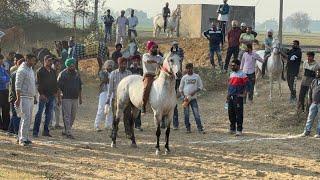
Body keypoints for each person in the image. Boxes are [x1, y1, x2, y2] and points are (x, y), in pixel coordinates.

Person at [33, 55, 58, 137]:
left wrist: (55, 92)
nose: (50, 62)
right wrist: (41, 94)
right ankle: (35, 132)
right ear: (45, 61)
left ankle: (46, 131)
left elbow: (55, 83)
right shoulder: (40, 71)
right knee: (39, 113)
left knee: (49, 114)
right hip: (43, 96)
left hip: (51, 95)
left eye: (51, 61)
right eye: (49, 60)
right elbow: (38, 84)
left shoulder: (53, 71)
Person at [15, 54, 38, 146]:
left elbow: (33, 85)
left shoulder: (31, 70)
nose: (34, 62)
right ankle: (22, 139)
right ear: (27, 59)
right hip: (24, 97)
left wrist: (35, 96)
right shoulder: (22, 70)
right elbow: (18, 86)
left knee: (28, 119)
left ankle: (24, 137)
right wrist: (18, 98)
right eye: (32, 60)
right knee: (25, 117)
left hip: (31, 97)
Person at [57, 58, 83, 139]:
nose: (73, 66)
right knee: (67, 115)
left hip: (75, 98)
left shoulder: (76, 74)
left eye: (73, 65)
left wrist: (80, 98)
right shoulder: (62, 74)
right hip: (66, 97)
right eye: (71, 65)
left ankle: (66, 130)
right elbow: (58, 88)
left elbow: (79, 86)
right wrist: (59, 98)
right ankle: (68, 132)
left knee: (73, 115)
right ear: (67, 66)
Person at [106, 57, 132, 136]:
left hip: (127, 99)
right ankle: (114, 132)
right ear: (118, 64)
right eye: (122, 64)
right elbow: (110, 88)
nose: (124, 65)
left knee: (127, 117)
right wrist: (108, 99)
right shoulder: (113, 74)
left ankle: (128, 133)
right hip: (116, 99)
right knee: (115, 116)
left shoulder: (129, 73)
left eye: (125, 64)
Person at [179, 63, 205, 134]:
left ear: (192, 68)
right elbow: (180, 89)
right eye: (187, 68)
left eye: (190, 68)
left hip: (193, 98)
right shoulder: (184, 77)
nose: (189, 70)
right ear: (186, 69)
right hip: (185, 99)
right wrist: (183, 96)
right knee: (186, 114)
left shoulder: (196, 76)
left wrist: (194, 91)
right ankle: (188, 128)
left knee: (196, 113)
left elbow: (200, 87)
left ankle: (200, 128)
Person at [227, 59, 249, 136]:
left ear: (238, 66)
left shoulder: (243, 74)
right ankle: (232, 128)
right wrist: (228, 95)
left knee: (238, 113)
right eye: (231, 65)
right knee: (231, 113)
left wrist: (244, 94)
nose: (232, 67)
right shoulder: (231, 74)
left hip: (238, 97)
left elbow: (247, 85)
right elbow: (229, 85)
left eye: (234, 65)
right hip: (231, 97)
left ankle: (239, 130)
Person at [141, 41, 163, 114]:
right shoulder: (145, 55)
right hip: (148, 75)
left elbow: (163, 63)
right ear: (149, 48)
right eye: (153, 47)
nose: (155, 49)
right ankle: (143, 104)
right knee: (146, 86)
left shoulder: (159, 57)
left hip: (158, 75)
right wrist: (156, 61)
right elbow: (147, 61)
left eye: (156, 47)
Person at [94, 60, 114, 132]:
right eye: (108, 65)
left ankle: (108, 125)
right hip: (104, 92)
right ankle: (97, 125)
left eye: (111, 65)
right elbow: (104, 80)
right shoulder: (102, 72)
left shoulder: (113, 73)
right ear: (105, 66)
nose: (110, 67)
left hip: (112, 92)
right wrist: (110, 78)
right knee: (101, 108)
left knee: (111, 109)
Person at [300, 69, 320, 138]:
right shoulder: (314, 81)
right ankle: (306, 131)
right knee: (310, 117)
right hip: (313, 103)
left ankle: (318, 133)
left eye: (319, 72)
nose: (317, 74)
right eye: (317, 72)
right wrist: (310, 101)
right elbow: (310, 91)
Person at [8, 58, 25, 135]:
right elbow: (14, 88)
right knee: (16, 115)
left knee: (15, 114)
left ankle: (10, 130)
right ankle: (16, 132)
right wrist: (17, 98)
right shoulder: (16, 74)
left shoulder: (20, 73)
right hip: (14, 97)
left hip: (16, 97)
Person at [171, 41, 184, 130]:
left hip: (178, 70)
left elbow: (181, 59)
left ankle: (179, 93)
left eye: (176, 45)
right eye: (174, 45)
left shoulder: (180, 51)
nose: (174, 46)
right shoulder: (171, 51)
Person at [129, 55, 143, 131]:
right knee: (129, 109)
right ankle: (129, 124)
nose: (136, 62)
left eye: (137, 61)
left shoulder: (141, 70)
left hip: (138, 90)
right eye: (134, 60)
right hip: (130, 90)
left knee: (138, 107)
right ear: (132, 61)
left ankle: (137, 125)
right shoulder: (129, 70)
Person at [51, 59, 63, 129]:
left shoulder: (59, 73)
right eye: (56, 65)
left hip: (57, 93)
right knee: (51, 109)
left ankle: (57, 124)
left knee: (57, 109)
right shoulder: (51, 73)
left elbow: (59, 86)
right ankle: (50, 124)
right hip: (52, 94)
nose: (58, 66)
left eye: (59, 65)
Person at [0, 54, 10, 131]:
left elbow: (8, 78)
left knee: (6, 109)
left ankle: (6, 126)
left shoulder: (2, 68)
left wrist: (3, 78)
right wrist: (3, 78)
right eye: (0, 59)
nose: (1, 61)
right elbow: (3, 79)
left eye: (2, 59)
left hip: (4, 91)